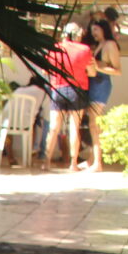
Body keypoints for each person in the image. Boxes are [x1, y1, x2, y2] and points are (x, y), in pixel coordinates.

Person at [46, 23, 96, 172]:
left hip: (58, 89)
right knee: (74, 127)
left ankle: (46, 162)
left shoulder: (54, 48)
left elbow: (45, 71)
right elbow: (92, 73)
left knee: (54, 127)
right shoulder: (84, 50)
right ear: (77, 35)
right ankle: (73, 164)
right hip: (77, 90)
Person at [85, 18, 122, 171]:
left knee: (95, 123)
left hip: (101, 84)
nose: (93, 33)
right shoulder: (100, 44)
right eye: (92, 30)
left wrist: (98, 68)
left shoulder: (110, 45)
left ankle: (97, 162)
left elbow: (117, 70)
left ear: (103, 29)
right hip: (93, 83)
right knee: (93, 123)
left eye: (96, 29)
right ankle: (92, 159)